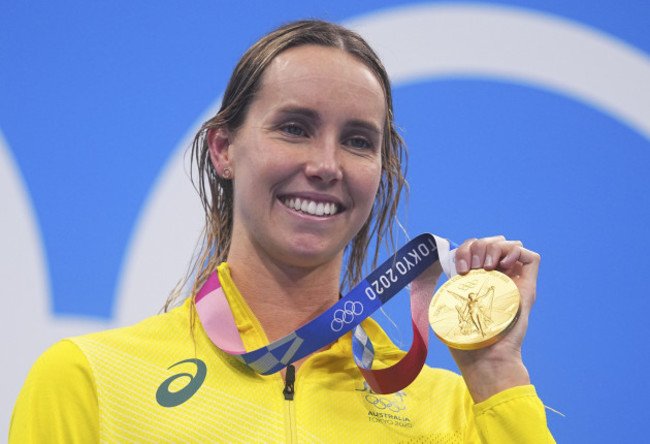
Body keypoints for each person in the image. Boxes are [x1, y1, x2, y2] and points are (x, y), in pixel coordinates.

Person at [10, 20, 555, 442]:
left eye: (359, 141)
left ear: (380, 172)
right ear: (223, 149)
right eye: (294, 129)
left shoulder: (452, 409)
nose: (326, 164)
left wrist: (495, 369)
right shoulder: (93, 382)